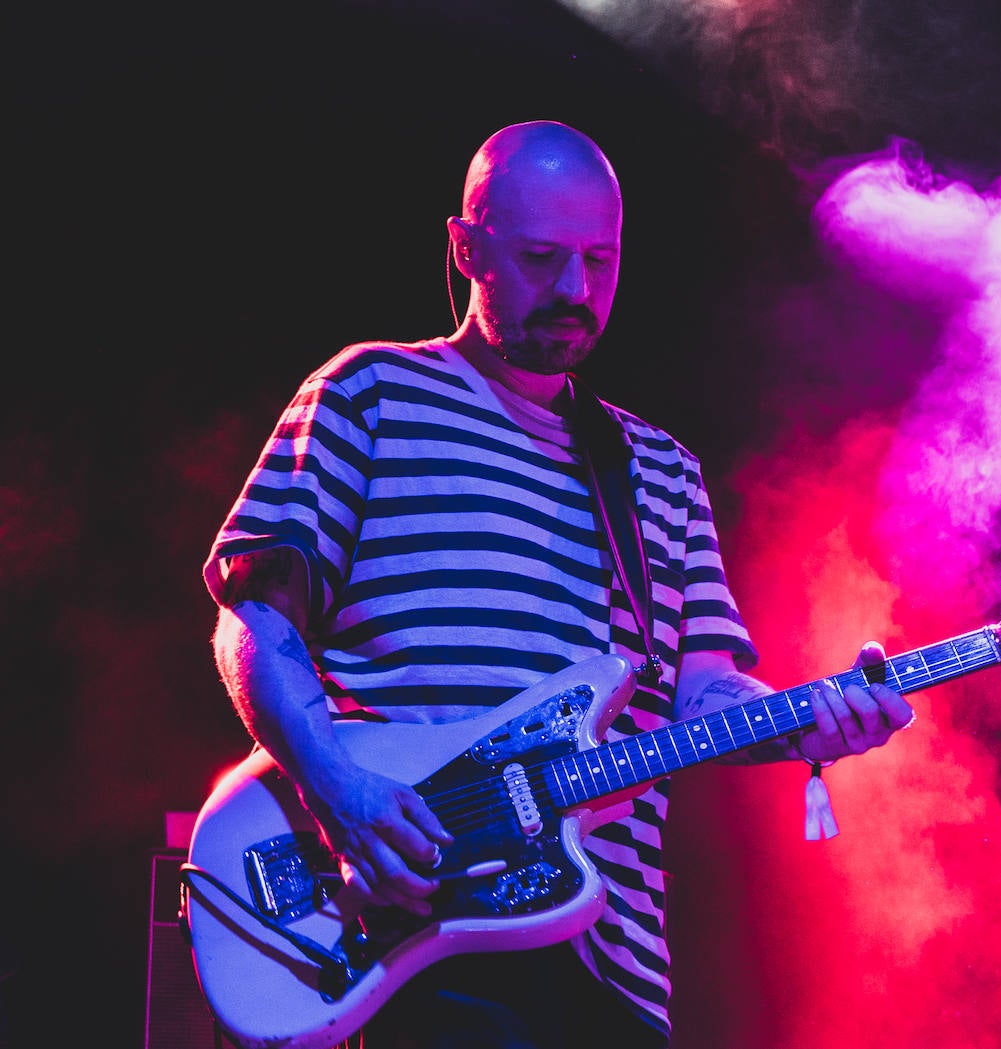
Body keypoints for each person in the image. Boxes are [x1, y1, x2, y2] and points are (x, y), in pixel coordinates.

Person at [202, 119, 914, 1049]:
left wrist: (804, 720)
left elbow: (703, 695)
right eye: (541, 257)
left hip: (612, 955)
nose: (575, 290)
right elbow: (254, 616)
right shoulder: (369, 393)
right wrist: (338, 789)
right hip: (421, 924)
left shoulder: (661, 471)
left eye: (601, 260)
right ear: (466, 249)